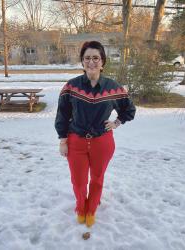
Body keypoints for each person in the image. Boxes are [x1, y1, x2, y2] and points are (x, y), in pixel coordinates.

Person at [55, 41, 136, 227]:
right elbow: (62, 114)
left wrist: (116, 122)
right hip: (76, 141)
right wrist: (62, 140)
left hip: (103, 142)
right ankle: (81, 206)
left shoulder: (113, 87)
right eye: (87, 58)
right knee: (78, 181)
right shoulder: (71, 87)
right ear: (82, 62)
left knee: (98, 178)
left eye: (95, 58)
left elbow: (129, 109)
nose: (91, 62)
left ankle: (91, 208)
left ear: (103, 62)